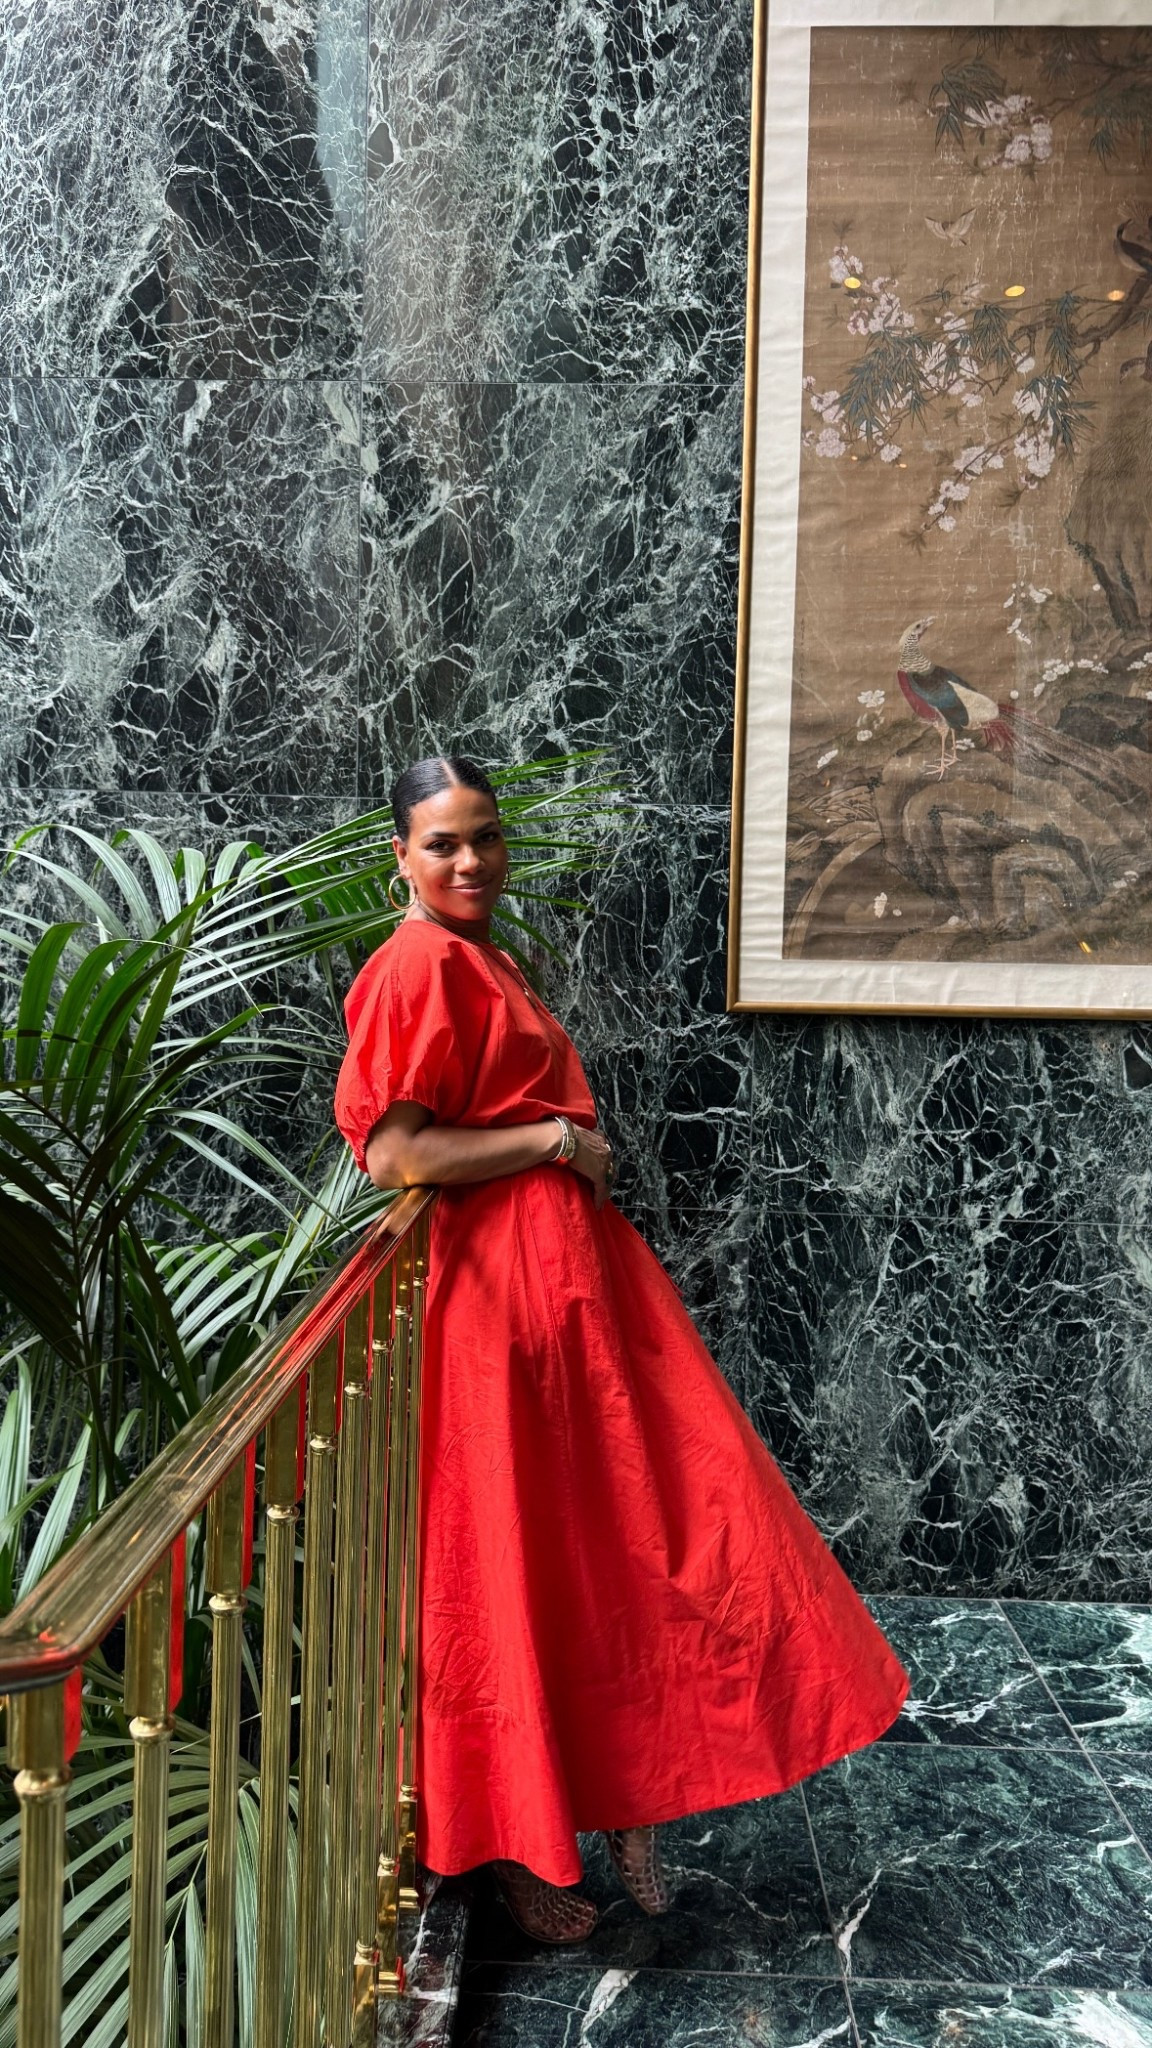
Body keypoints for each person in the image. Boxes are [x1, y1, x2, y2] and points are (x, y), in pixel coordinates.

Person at [334, 755, 908, 1944]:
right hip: (501, 1307)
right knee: (521, 1568)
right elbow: (396, 1156)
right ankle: (515, 1842)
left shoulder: (478, 951)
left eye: (485, 837)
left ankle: (631, 1787)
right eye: (443, 843)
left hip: (570, 1294)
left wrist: (559, 1157)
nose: (472, 860)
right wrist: (552, 1139)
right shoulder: (416, 963)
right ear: (399, 854)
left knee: (648, 1537)